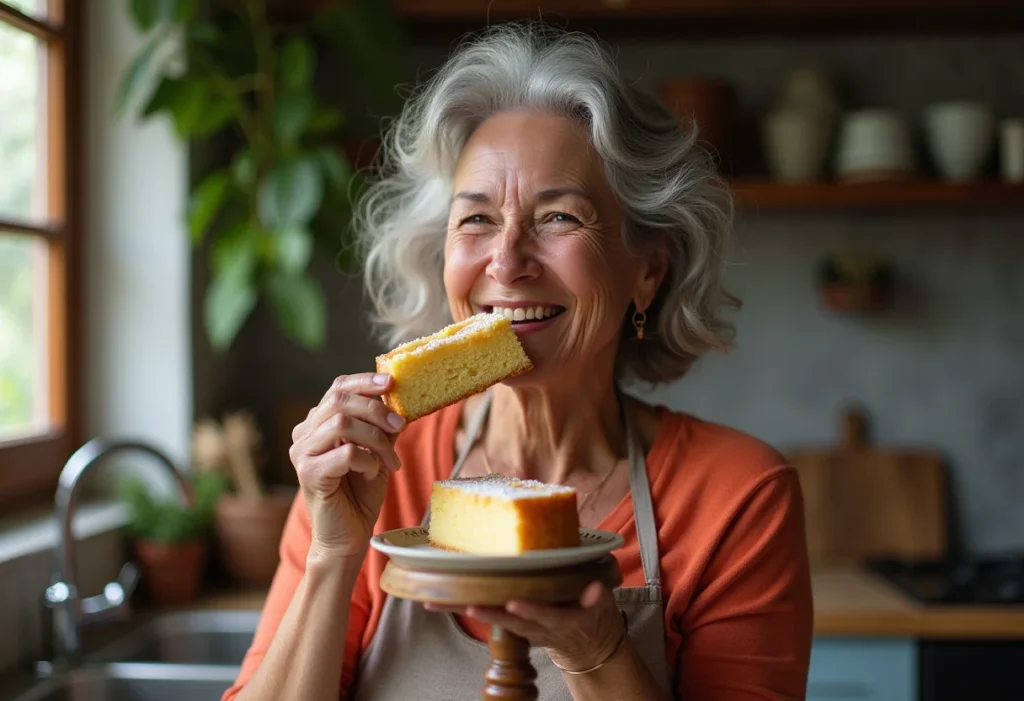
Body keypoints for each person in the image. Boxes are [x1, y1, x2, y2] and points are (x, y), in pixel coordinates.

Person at [222, 22, 813, 701]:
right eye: (476, 219)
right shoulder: (378, 467)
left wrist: (597, 651)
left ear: (648, 271)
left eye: (559, 217)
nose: (506, 260)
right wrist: (333, 555)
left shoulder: (736, 497)